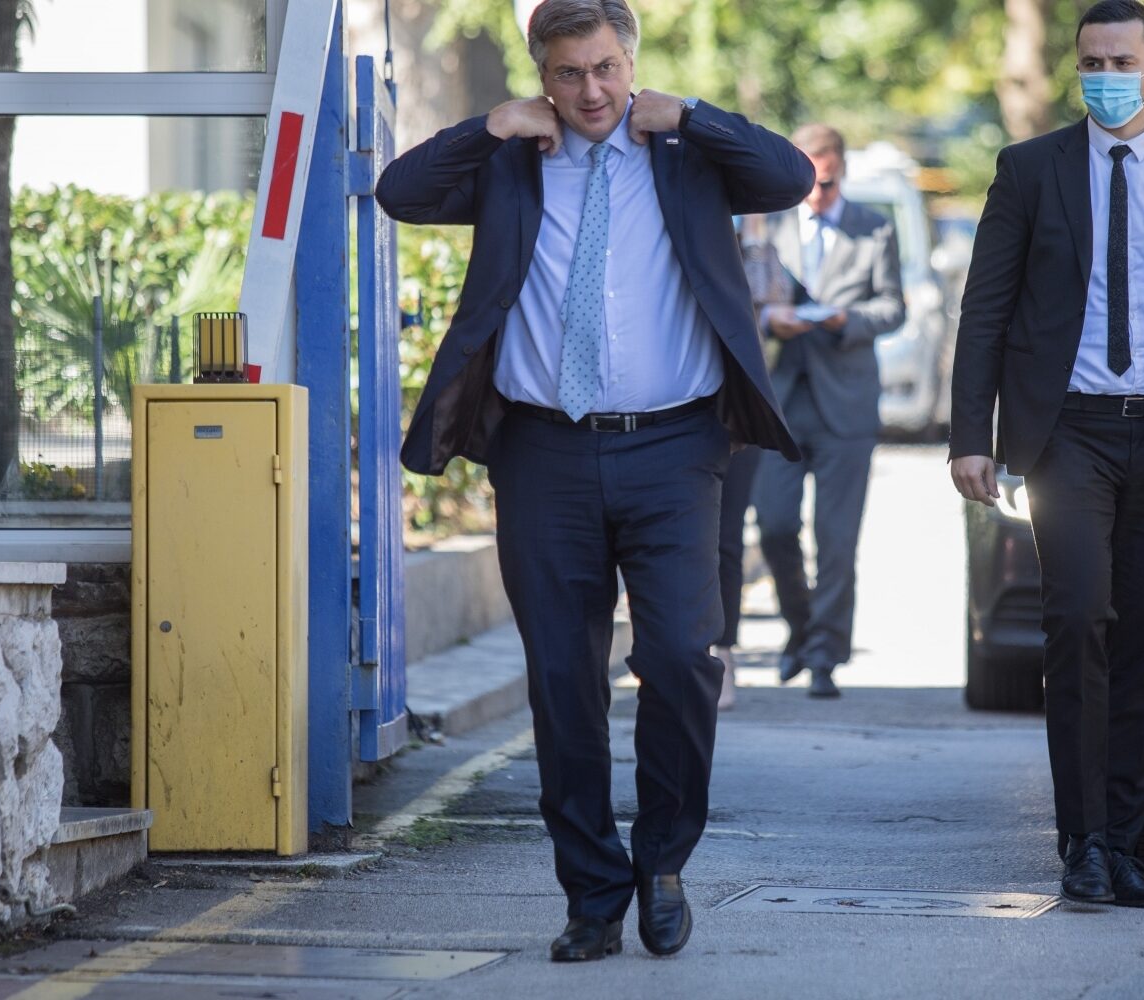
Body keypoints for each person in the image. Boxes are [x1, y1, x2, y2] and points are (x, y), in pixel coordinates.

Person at [374, 0, 811, 963]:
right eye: (569, 73)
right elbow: (399, 191)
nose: (591, 91)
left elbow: (791, 175)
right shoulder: (511, 159)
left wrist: (691, 113)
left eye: (606, 68)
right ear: (543, 76)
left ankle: (663, 862)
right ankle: (592, 893)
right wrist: (487, 125)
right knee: (563, 679)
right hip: (544, 452)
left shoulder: (686, 155)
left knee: (683, 660)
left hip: (675, 448)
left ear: (631, 63)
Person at [949, 0, 1144, 908]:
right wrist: (971, 437)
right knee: (1078, 618)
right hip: (1069, 435)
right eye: (1091, 61)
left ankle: (1124, 843)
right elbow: (985, 308)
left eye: (1122, 61)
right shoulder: (1030, 169)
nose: (1104, 75)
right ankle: (1082, 840)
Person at [753, 123, 905, 698]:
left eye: (828, 182)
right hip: (781, 401)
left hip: (846, 405)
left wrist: (847, 320)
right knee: (775, 526)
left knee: (836, 540)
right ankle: (800, 627)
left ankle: (824, 656)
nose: (816, 194)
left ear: (842, 171)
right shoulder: (769, 224)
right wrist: (771, 320)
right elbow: (743, 297)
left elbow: (892, 307)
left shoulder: (874, 227)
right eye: (808, 183)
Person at [715, 214, 796, 711]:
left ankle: (723, 653)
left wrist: (753, 239)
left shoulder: (757, 250)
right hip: (675, 406)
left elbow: (769, 302)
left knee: (726, 537)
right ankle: (656, 648)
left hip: (736, 411)